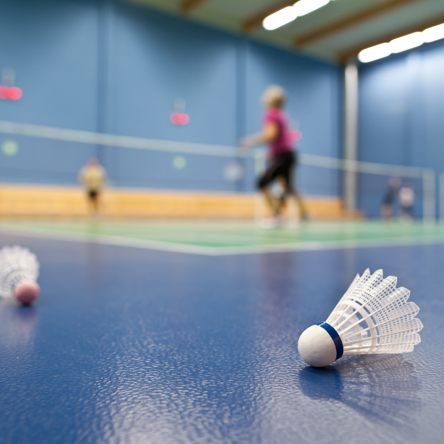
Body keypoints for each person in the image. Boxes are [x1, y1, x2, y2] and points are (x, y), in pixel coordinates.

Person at [240, 85, 308, 227]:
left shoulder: (271, 114)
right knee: (288, 186)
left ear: (271, 99)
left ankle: (275, 214)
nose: (263, 97)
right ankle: (302, 213)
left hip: (284, 155)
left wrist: (249, 141)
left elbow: (271, 135)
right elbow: (280, 139)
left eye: (266, 95)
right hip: (287, 155)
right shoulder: (282, 116)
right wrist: (272, 153)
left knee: (262, 183)